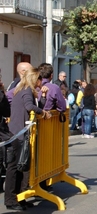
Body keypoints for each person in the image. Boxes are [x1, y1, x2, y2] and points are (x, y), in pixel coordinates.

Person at [5, 68, 52, 210]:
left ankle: (20, 196)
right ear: (34, 79)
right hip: (18, 133)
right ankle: (11, 199)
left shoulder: (24, 90)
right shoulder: (26, 91)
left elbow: (34, 106)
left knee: (22, 166)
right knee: (15, 167)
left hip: (19, 132)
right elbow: (29, 106)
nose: (41, 83)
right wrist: (43, 113)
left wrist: (43, 97)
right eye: (39, 80)